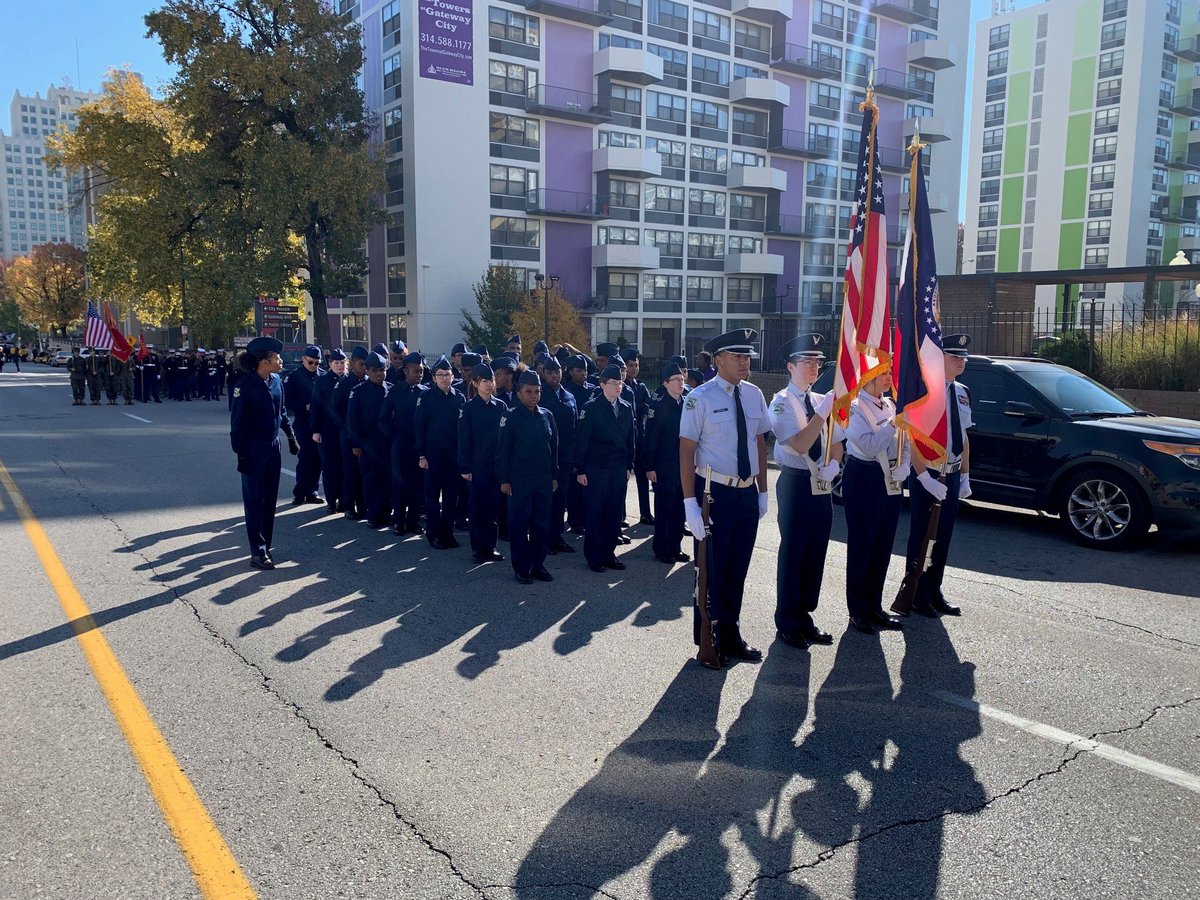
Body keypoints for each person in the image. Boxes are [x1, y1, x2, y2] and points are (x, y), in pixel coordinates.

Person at [680, 328, 771, 667]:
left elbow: (759, 443)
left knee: (737, 570)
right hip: (712, 493)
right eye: (737, 356)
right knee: (710, 571)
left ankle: (731, 634)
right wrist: (689, 503)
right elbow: (686, 451)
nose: (745, 361)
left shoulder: (753, 394)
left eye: (747, 356)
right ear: (718, 360)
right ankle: (708, 636)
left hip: (745, 492)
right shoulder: (699, 398)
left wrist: (763, 491)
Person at [767, 334, 843, 650]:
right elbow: (799, 443)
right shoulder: (783, 402)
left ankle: (805, 615)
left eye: (817, 363)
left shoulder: (818, 400)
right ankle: (787, 620)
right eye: (807, 362)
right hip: (796, 483)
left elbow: (836, 442)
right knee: (795, 552)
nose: (814, 368)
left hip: (820, 484)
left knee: (815, 553)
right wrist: (823, 414)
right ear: (790, 366)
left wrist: (835, 466)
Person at [904, 333, 974, 618]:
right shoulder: (924, 392)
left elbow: (964, 435)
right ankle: (915, 590)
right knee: (922, 534)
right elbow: (911, 436)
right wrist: (923, 477)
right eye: (954, 356)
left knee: (943, 536)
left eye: (963, 358)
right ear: (939, 358)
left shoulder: (961, 391)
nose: (961, 361)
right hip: (929, 475)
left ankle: (934, 589)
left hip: (952, 473)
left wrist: (966, 475)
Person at [843, 368, 910, 634]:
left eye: (889, 373)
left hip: (891, 478)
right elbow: (870, 446)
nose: (888, 379)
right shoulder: (855, 408)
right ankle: (857, 611)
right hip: (865, 477)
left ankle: (874, 606)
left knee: (883, 546)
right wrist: (893, 424)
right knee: (862, 547)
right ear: (867, 377)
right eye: (883, 374)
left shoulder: (890, 404)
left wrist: (904, 464)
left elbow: (905, 440)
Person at [230, 336, 297, 570]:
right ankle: (256, 552)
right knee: (254, 501)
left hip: (272, 448)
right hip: (253, 450)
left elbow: (283, 411)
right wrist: (242, 455)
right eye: (276, 358)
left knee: (270, 501)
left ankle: (266, 546)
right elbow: (237, 426)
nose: (280, 361)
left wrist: (290, 436)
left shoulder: (277, 380)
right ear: (264, 361)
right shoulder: (244, 386)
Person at [498, 370, 559, 584]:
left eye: (537, 392)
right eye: (529, 392)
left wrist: (554, 475)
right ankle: (522, 567)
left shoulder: (547, 416)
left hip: (542, 480)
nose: (533, 395)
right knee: (519, 525)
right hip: (519, 481)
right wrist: (504, 480)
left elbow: (554, 448)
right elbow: (503, 450)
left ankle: (538, 564)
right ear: (519, 392)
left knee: (541, 525)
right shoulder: (511, 417)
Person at [573, 364, 635, 573]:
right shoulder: (591, 408)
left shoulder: (626, 407)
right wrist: (580, 469)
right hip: (596, 469)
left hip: (617, 469)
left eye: (620, 383)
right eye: (613, 383)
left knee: (614, 514)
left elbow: (630, 440)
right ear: (602, 385)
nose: (618, 387)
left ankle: (609, 554)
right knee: (595, 513)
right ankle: (594, 556)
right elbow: (581, 440)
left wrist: (629, 465)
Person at [458, 361, 507, 562]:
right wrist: (465, 467)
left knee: (493, 508)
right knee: (478, 509)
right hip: (477, 467)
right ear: (476, 383)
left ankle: (490, 546)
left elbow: (505, 440)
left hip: (495, 466)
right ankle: (478, 549)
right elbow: (464, 440)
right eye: (485, 381)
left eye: (492, 380)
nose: (489, 384)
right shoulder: (468, 409)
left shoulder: (501, 406)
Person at [416, 355, 466, 549]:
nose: (444, 378)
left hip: (452, 456)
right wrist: (421, 455)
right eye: (440, 375)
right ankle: (434, 534)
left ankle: (448, 533)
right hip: (432, 455)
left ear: (452, 376)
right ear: (434, 378)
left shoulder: (459, 397)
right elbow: (419, 427)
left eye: (447, 374)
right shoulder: (426, 397)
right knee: (432, 497)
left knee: (451, 497)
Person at [645, 361, 688, 564]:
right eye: (676, 380)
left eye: (682, 379)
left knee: (680, 508)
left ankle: (675, 546)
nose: (681, 383)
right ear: (665, 383)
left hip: (684, 465)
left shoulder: (687, 402)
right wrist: (650, 467)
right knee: (664, 508)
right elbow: (651, 439)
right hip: (663, 465)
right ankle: (661, 548)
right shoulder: (659, 406)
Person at [380, 350, 426, 536]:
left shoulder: (426, 393)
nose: (420, 375)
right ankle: (398, 521)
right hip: (401, 446)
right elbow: (383, 419)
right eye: (416, 371)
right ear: (406, 371)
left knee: (417, 484)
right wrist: (394, 436)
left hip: (419, 447)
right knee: (400, 484)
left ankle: (413, 521)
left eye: (422, 371)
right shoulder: (395, 392)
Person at [346, 352, 392, 527]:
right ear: (367, 370)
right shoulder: (358, 392)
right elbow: (352, 420)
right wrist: (356, 444)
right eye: (375, 370)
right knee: (371, 480)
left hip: (387, 443)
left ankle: (386, 512)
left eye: (382, 370)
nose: (379, 374)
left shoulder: (391, 389)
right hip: (367, 444)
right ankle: (373, 514)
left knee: (386, 479)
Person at [538, 356, 576, 555]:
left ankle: (557, 537)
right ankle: (544, 539)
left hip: (565, 455)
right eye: (550, 372)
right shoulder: (540, 395)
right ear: (544, 374)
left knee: (561, 498)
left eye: (557, 371)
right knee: (546, 499)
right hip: (546, 456)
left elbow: (575, 425)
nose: (554, 375)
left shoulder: (569, 396)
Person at [283, 345, 325, 506]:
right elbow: (287, 402)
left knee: (318, 459)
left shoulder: (323, 376)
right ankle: (300, 492)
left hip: (319, 423)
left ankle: (313, 491)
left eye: (317, 363)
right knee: (305, 458)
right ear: (304, 359)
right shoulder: (294, 377)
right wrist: (304, 406)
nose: (314, 366)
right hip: (303, 423)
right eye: (311, 362)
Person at [310, 348, 347, 513]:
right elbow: (316, 406)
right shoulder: (322, 381)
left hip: (345, 430)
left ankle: (345, 500)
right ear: (330, 364)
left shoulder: (350, 380)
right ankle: (332, 502)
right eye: (336, 363)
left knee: (346, 467)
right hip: (327, 430)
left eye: (342, 363)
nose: (340, 366)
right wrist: (316, 430)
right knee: (330, 467)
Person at [622, 348, 655, 525]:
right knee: (624, 480)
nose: (634, 368)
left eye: (636, 365)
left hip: (640, 437)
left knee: (643, 478)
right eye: (630, 365)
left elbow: (647, 407)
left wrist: (641, 408)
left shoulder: (640, 386)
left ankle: (645, 513)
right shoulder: (620, 386)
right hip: (626, 438)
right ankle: (622, 516)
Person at [335, 347, 368, 520]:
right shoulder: (345, 383)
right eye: (361, 364)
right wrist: (347, 429)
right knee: (350, 471)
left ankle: (363, 506)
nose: (364, 368)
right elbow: (336, 409)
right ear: (353, 362)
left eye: (366, 364)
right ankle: (348, 506)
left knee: (364, 472)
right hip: (349, 434)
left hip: (365, 436)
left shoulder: (369, 382)